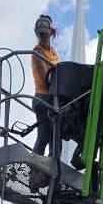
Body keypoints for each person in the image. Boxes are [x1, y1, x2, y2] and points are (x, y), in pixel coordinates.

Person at [31, 13, 59, 156]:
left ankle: (53, 168)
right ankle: (35, 166)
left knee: (55, 136)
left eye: (45, 34)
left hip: (53, 97)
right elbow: (46, 77)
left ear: (50, 33)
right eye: (40, 35)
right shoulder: (37, 51)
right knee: (43, 136)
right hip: (42, 97)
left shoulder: (53, 52)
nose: (43, 37)